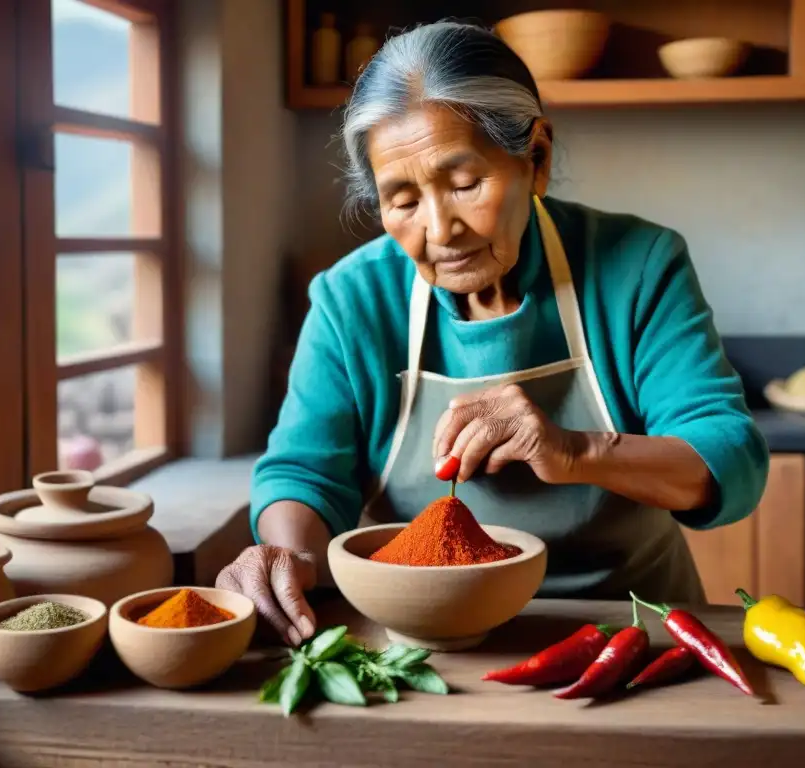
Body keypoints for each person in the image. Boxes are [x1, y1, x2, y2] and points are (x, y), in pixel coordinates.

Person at [216, 20, 770, 647]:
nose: (440, 229)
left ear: (536, 158)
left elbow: (730, 459)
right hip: (427, 639)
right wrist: (285, 559)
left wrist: (573, 451)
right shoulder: (352, 299)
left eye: (464, 184)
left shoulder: (638, 265)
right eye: (402, 200)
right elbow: (305, 476)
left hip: (630, 634)